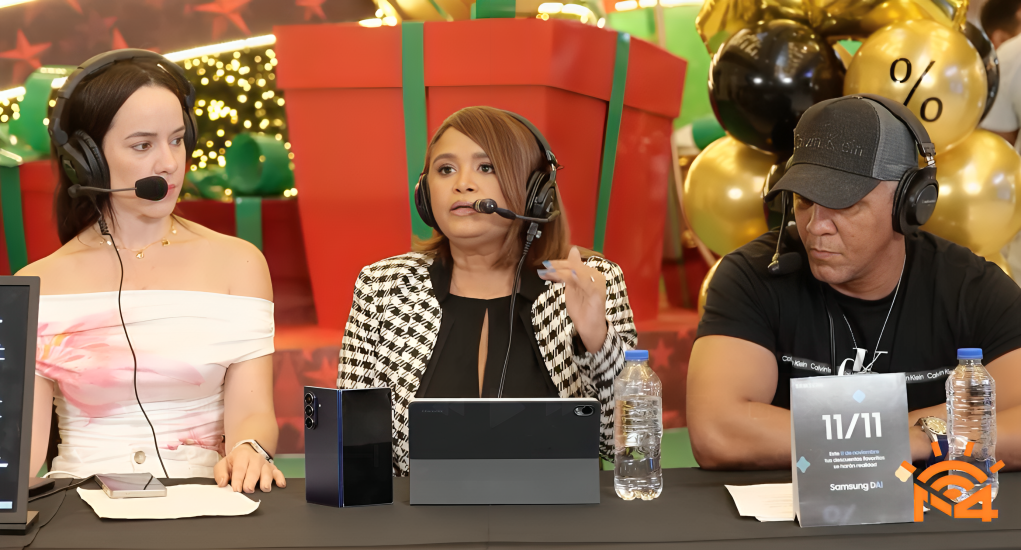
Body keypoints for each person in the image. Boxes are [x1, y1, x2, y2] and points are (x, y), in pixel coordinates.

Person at [688, 95, 1021, 470]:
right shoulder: (752, 276)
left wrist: (916, 437)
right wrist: (913, 437)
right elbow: (717, 432)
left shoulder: (971, 287)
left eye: (843, 203)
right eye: (804, 200)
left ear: (909, 204)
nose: (816, 226)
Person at [20, 51, 285, 493]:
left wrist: (249, 449)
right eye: (143, 146)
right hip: (75, 505)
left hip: (204, 501)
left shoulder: (238, 263)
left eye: (177, 140)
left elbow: (253, 413)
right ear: (86, 160)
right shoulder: (40, 284)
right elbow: (21, 454)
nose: (169, 163)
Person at [337, 106, 636, 476]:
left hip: (557, 509)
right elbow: (356, 449)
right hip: (416, 509)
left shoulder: (591, 281)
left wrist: (597, 338)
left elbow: (628, 446)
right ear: (425, 194)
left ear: (536, 191)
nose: (462, 184)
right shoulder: (383, 285)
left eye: (486, 167)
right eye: (446, 169)